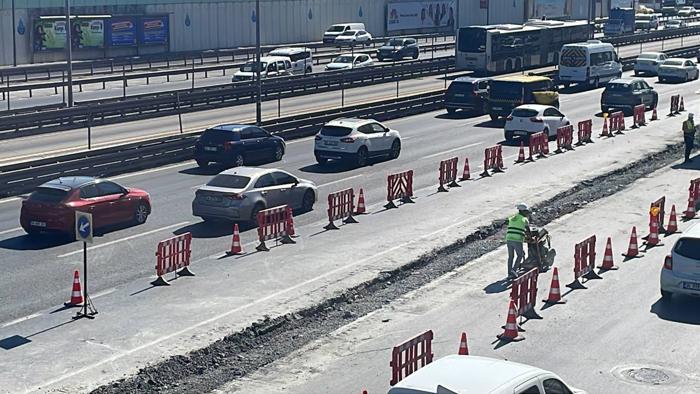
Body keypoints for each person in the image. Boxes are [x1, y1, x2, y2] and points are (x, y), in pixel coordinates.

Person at [506, 203, 531, 279]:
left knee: (511, 256)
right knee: (520, 255)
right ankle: (514, 270)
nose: (527, 213)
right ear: (522, 211)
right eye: (526, 211)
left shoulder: (512, 218)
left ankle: (509, 272)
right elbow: (528, 231)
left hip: (509, 238)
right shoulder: (524, 219)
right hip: (517, 239)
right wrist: (530, 237)